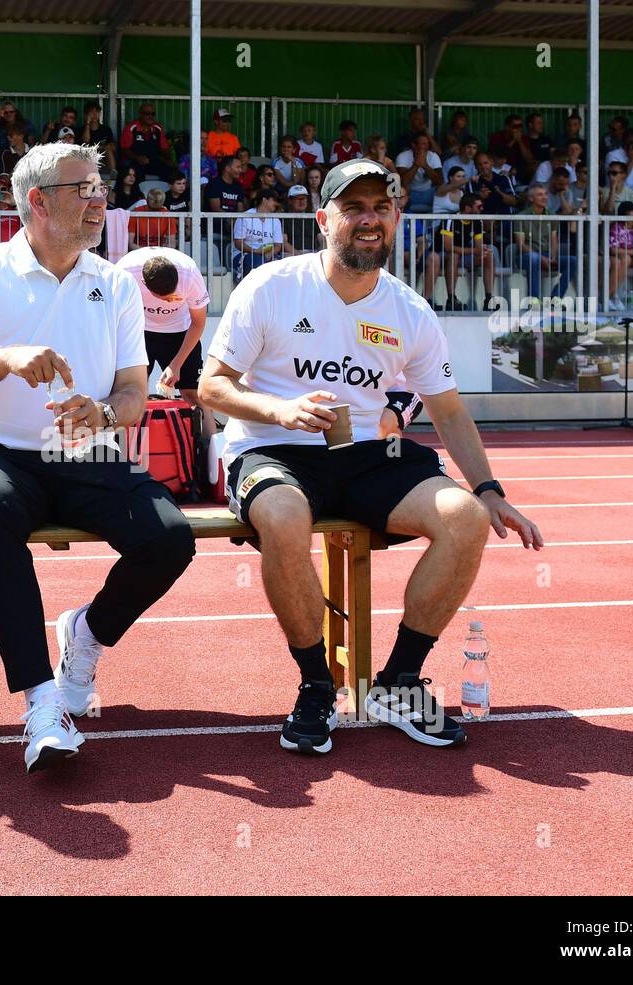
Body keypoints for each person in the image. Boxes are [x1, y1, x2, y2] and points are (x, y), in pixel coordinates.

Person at [198, 157, 542, 757]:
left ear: (397, 217)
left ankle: (399, 682)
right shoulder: (272, 287)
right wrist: (280, 411)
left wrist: (488, 490)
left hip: (365, 457)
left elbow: (450, 412)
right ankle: (315, 685)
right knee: (283, 517)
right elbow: (212, 386)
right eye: (353, 208)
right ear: (321, 218)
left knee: (463, 520)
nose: (369, 219)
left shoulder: (408, 309)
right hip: (271, 448)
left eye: (381, 208)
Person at [0, 142, 196, 773]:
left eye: (100, 187)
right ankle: (42, 702)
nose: (100, 199)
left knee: (171, 539)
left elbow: (133, 395)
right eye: (85, 189)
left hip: (84, 449)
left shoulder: (116, 284)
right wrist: (6, 357)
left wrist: (99, 414)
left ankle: (87, 635)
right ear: (39, 201)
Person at [117, 246, 215, 442]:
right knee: (131, 393)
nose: (167, 303)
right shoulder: (125, 273)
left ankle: (213, 459)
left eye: (171, 297)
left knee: (196, 395)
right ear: (143, 283)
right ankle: (125, 456)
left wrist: (176, 364)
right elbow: (113, 319)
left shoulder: (189, 273)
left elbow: (198, 323)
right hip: (139, 332)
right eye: (162, 298)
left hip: (180, 333)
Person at [423, 193, 497, 311]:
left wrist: (482, 251)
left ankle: (488, 299)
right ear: (467, 208)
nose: (482, 209)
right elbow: (448, 248)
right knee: (454, 255)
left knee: (488, 256)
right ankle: (451, 299)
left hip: (463, 255)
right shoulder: (450, 220)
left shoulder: (478, 221)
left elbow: (478, 246)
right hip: (441, 255)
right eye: (479, 207)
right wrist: (475, 250)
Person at [231, 188, 285, 282]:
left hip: (266, 255)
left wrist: (270, 253)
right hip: (244, 255)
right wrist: (255, 251)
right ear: (264, 200)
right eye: (274, 200)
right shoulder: (245, 216)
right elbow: (238, 243)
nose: (276, 204)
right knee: (258, 262)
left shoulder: (275, 220)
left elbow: (278, 245)